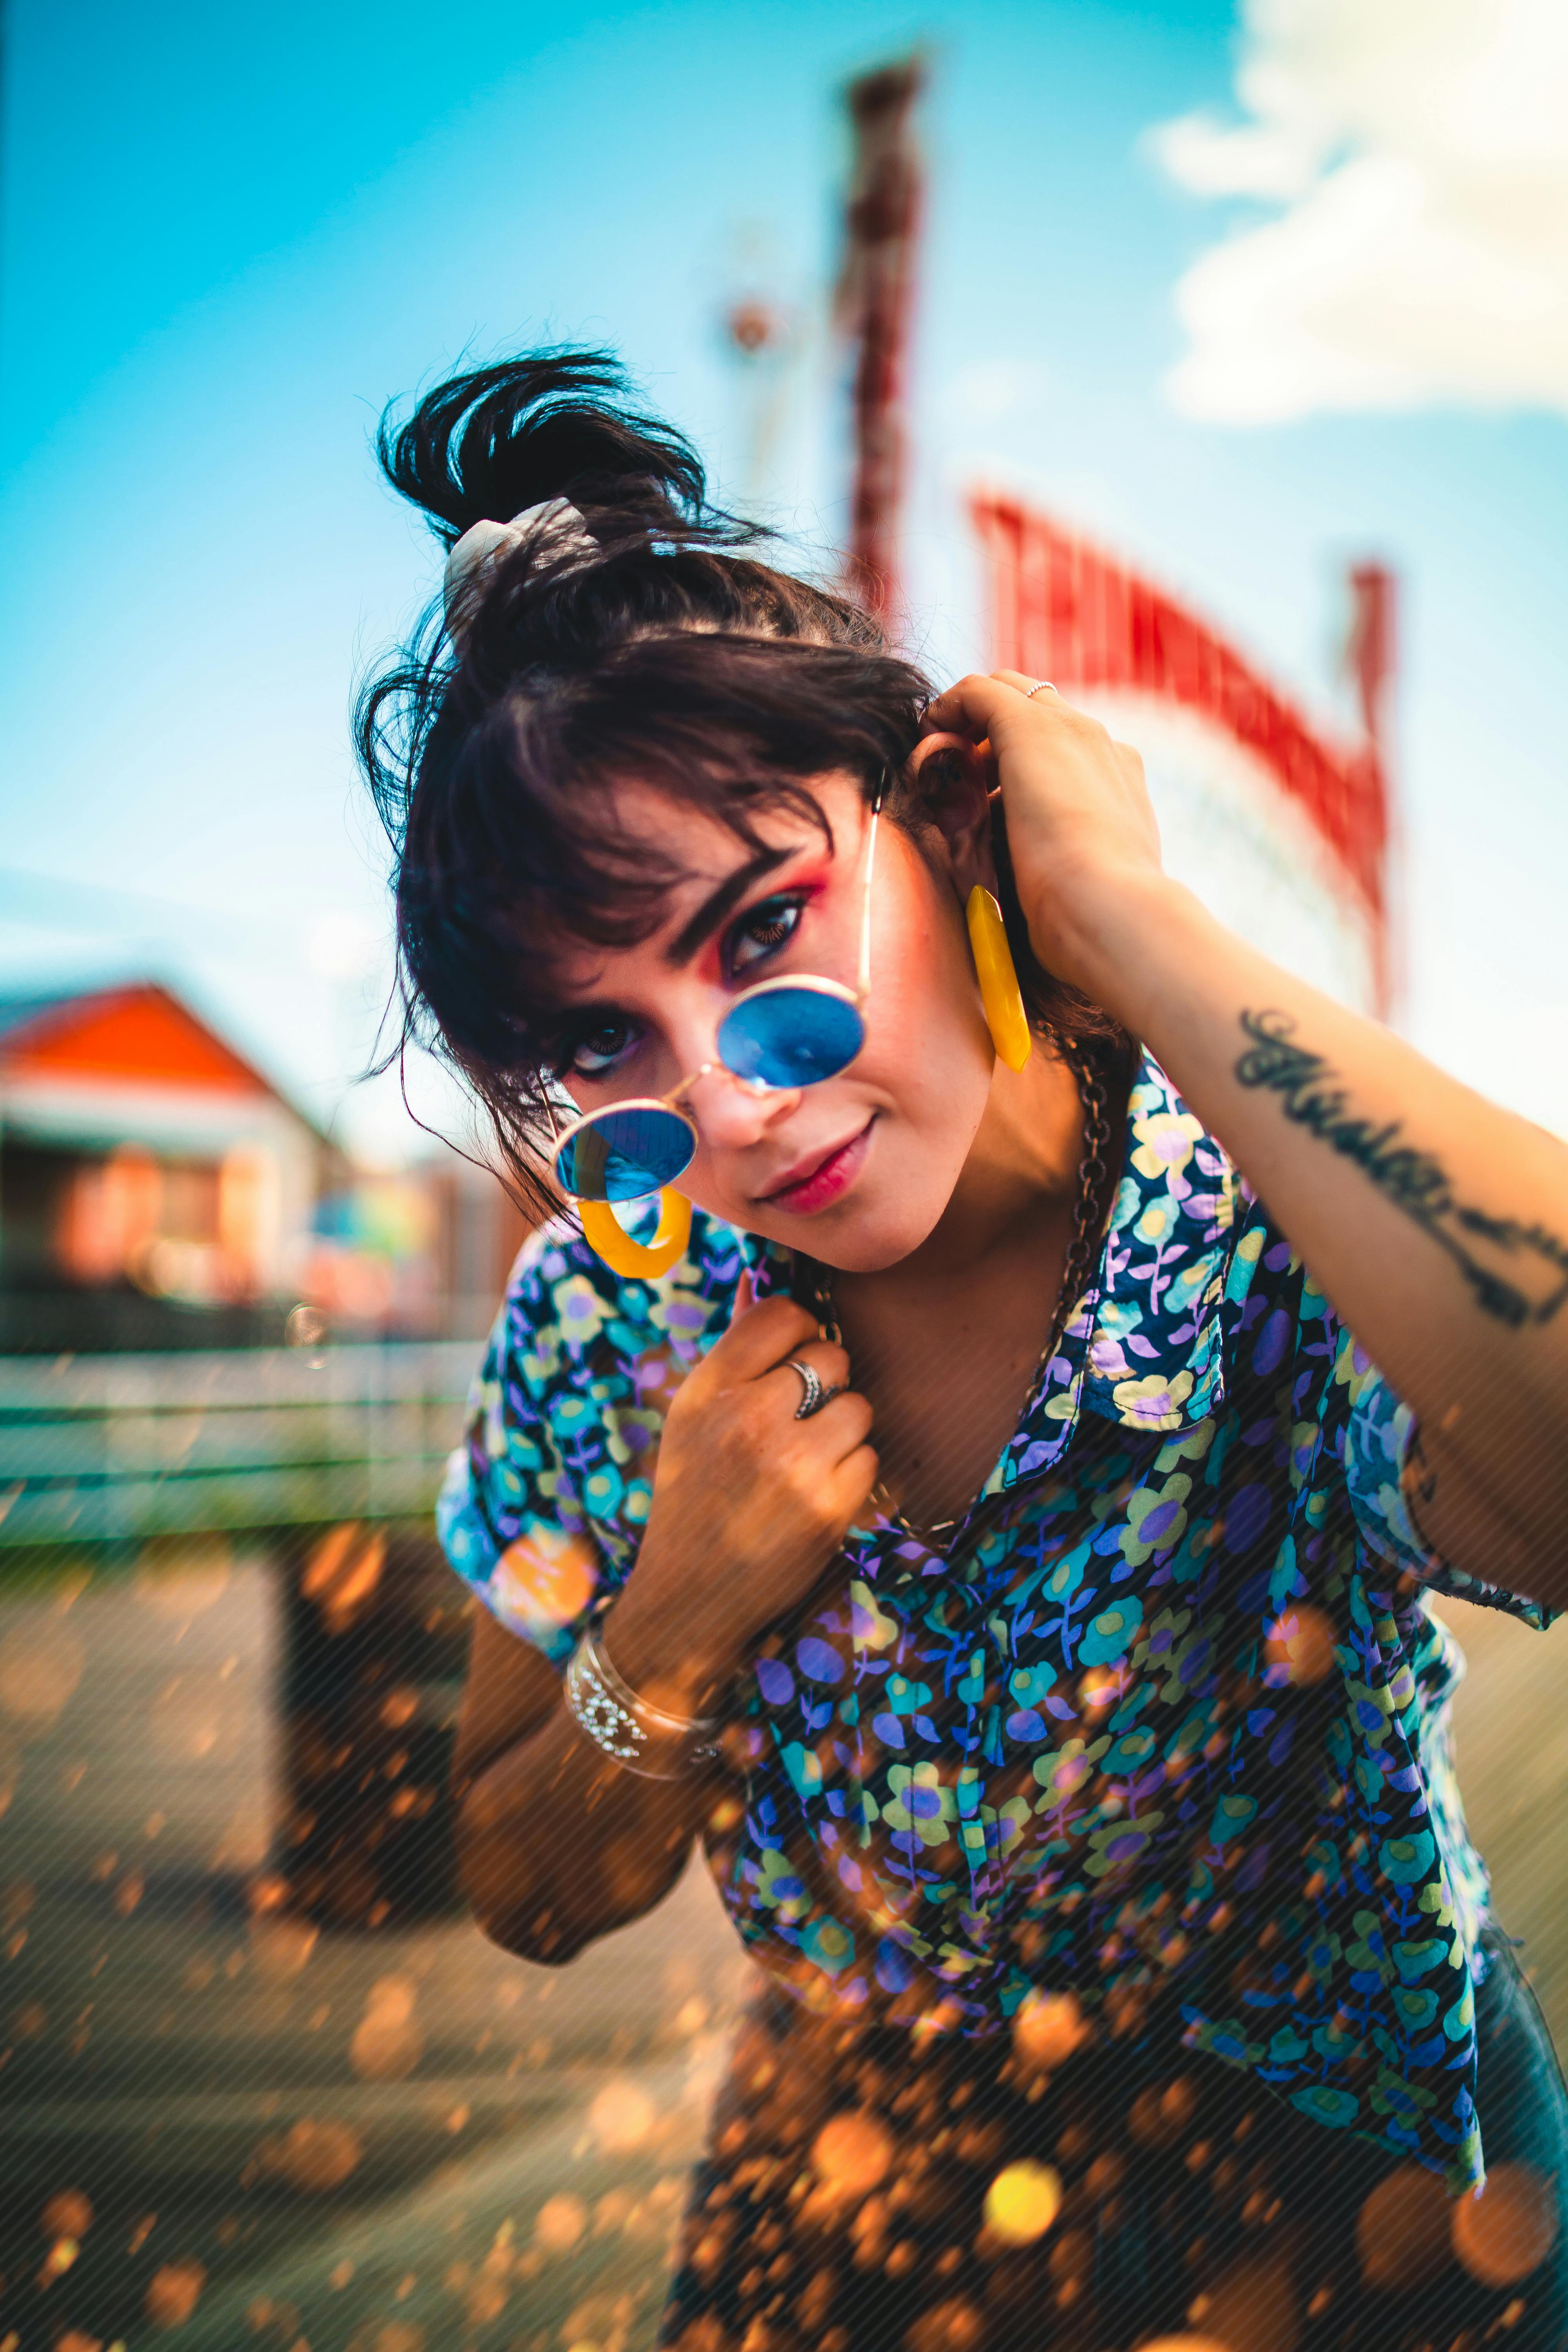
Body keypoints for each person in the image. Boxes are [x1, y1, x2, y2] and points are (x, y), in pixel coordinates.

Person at [359, 350, 1568, 2352]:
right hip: (853, 2198)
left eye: (763, 937)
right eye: (604, 1047)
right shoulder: (610, 1303)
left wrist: (1132, 923)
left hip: (1348, 2178)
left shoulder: (1256, 1214)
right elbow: (529, 1890)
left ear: (938, 820)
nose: (729, 1111)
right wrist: (671, 1626)